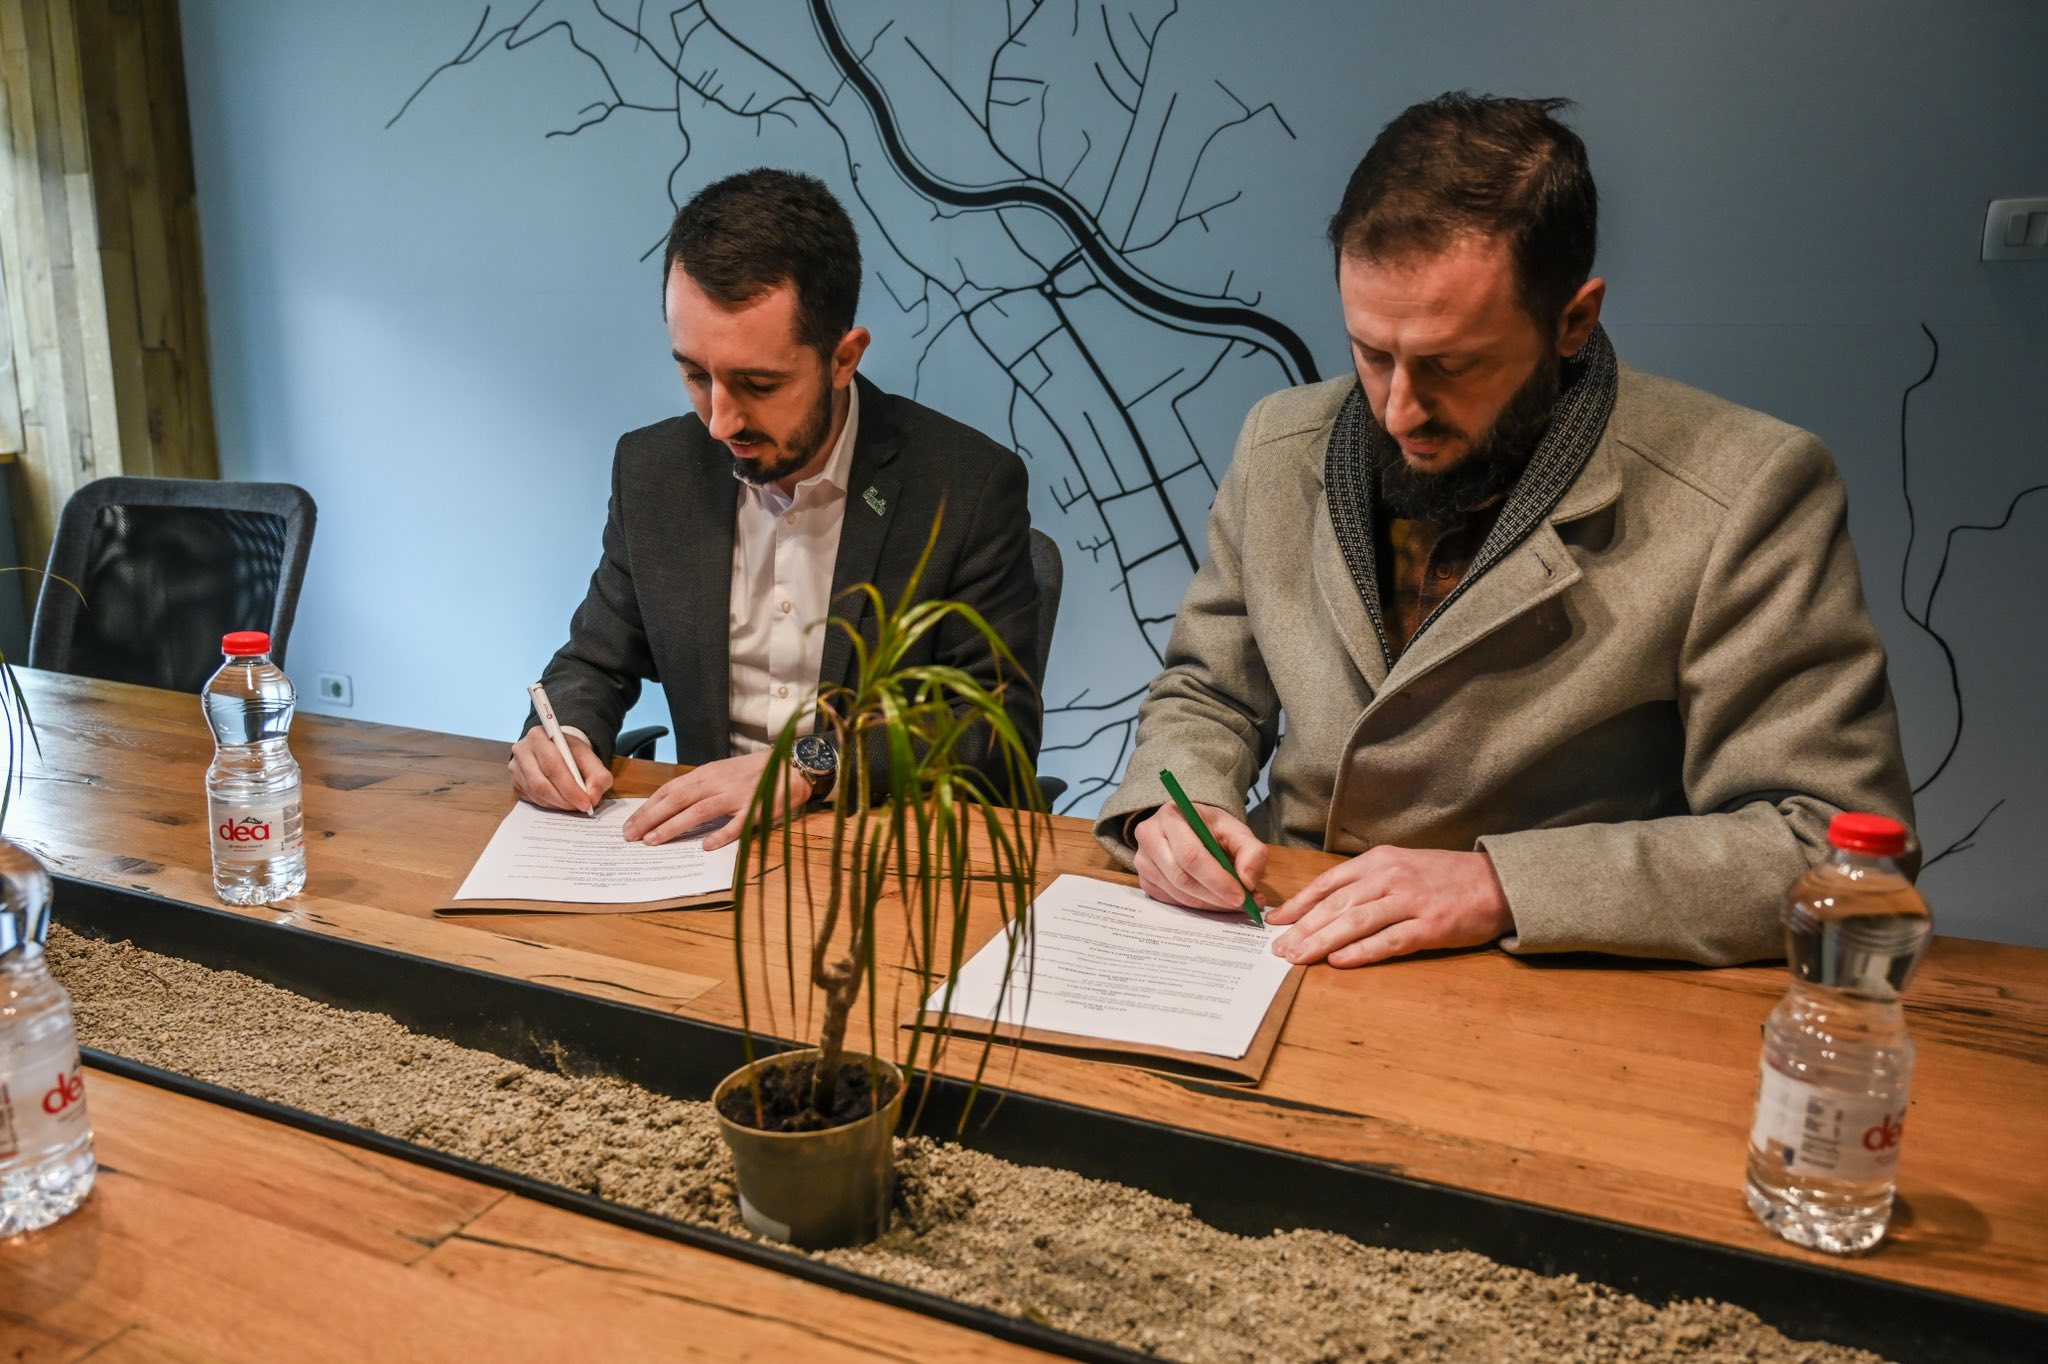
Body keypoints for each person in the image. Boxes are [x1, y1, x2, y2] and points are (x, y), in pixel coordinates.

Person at [1095, 93, 1914, 968]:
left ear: (1573, 321)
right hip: (1279, 935)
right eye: (1371, 353)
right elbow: (1209, 692)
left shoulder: (1748, 489)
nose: (1398, 410)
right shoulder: (1278, 441)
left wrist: (1502, 886)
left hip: (1542, 977)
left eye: (1451, 365)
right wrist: (1177, 804)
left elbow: (1824, 841)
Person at [510, 169, 1040, 847]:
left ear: (843, 358)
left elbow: (990, 721)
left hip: (878, 854)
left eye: (758, 384)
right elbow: (594, 660)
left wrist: (809, 765)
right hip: (705, 855)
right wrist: (562, 736)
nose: (719, 422)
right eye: (695, 375)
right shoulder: (654, 473)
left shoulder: (965, 485)